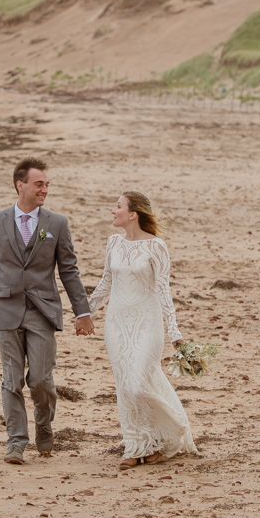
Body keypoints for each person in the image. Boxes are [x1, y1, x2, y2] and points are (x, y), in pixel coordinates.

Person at [0, 157, 94, 465]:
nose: (44, 190)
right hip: (4, 310)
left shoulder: (56, 224)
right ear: (21, 185)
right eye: (38, 184)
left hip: (43, 311)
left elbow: (69, 271)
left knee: (41, 379)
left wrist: (82, 311)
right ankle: (16, 441)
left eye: (46, 185)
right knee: (11, 380)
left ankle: (44, 424)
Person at [89, 191, 197, 470]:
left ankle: (172, 427)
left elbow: (164, 292)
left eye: (118, 206)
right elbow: (105, 284)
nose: (113, 211)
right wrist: (84, 313)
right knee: (125, 386)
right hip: (116, 324)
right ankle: (138, 445)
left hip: (147, 324)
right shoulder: (113, 242)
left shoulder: (156, 247)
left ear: (132, 214)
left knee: (138, 383)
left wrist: (175, 332)